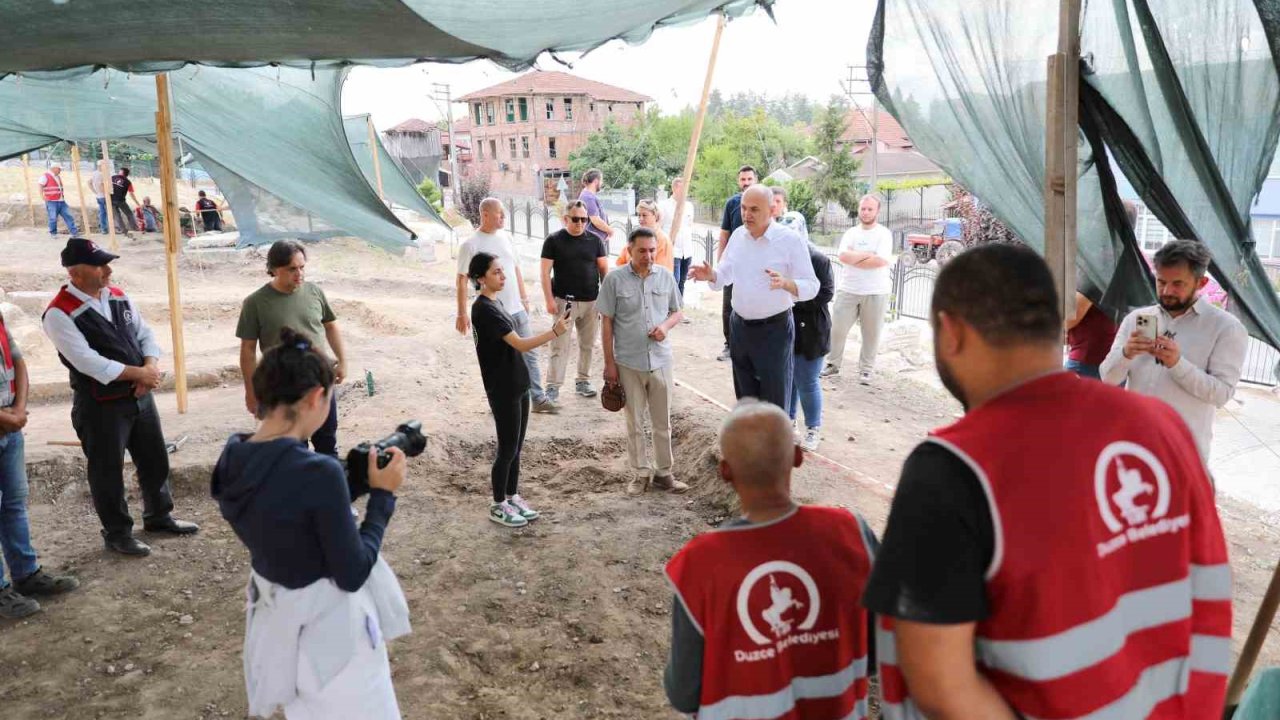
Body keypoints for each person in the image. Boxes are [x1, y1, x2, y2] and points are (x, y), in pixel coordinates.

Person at [864, 244, 1231, 719]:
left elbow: (938, 685)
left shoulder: (952, 467)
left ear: (951, 333)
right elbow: (1205, 604)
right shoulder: (1164, 428)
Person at [211, 328, 409, 719]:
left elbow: (287, 506)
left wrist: (350, 483)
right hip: (335, 641)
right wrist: (383, 497)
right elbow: (352, 573)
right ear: (317, 397)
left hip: (278, 626)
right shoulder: (318, 473)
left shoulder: (232, 458)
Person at [664, 400, 878, 719]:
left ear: (724, 471)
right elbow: (878, 649)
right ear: (797, 457)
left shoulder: (698, 564)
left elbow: (684, 692)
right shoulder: (852, 533)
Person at [42, 238, 200, 556]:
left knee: (154, 458)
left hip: (139, 395)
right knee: (107, 470)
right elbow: (87, 361)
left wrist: (150, 367)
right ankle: (117, 532)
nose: (108, 270)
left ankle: (159, 516)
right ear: (75, 273)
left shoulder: (118, 295)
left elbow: (144, 334)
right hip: (100, 404)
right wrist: (139, 374)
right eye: (99, 264)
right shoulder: (59, 313)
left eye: (107, 262)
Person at [1100, 239, 1248, 462]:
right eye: (1161, 282)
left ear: (1201, 283)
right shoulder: (1137, 319)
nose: (1167, 291)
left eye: (1178, 284)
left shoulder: (1226, 328)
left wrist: (1178, 364)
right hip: (1132, 444)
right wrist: (1125, 354)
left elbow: (1221, 395)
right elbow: (1107, 378)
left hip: (1182, 451)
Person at [689, 185, 818, 410]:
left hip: (774, 331)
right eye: (743, 208)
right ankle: (749, 444)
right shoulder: (738, 236)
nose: (747, 215)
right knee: (746, 398)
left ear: (771, 210)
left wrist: (787, 284)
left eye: (754, 210)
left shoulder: (789, 240)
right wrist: (711, 275)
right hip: (740, 328)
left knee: (774, 401)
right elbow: (725, 274)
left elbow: (813, 286)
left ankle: (775, 445)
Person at [468, 252, 569, 528]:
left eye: (503, 271)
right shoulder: (483, 310)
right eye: (496, 272)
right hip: (502, 388)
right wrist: (554, 333)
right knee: (507, 448)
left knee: (516, 447)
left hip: (518, 382)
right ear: (480, 278)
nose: (503, 276)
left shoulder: (496, 302)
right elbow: (521, 344)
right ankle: (498, 503)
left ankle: (512, 496)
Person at [237, 240, 349, 459]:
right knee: (292, 450)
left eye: (302, 267)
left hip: (319, 383)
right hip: (282, 388)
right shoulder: (255, 303)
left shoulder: (314, 292)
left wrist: (342, 360)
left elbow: (330, 325)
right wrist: (251, 392)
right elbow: (248, 350)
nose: (299, 274)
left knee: (327, 443)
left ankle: (329, 488)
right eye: (292, 269)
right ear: (274, 269)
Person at [0, 310, 79, 618]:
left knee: (15, 504)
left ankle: (26, 573)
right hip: (6, 421)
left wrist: (18, 410)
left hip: (10, 426)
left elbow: (18, 362)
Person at [598, 227, 688, 496]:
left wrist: (665, 326)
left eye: (652, 250)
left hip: (661, 361)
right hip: (628, 362)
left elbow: (677, 311)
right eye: (642, 251)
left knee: (663, 422)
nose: (648, 256)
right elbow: (607, 323)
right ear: (629, 251)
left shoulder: (666, 277)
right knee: (635, 422)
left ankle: (664, 473)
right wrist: (609, 363)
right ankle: (640, 473)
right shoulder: (614, 280)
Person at [456, 198, 557, 414]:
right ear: (485, 214)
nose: (503, 217)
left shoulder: (506, 237)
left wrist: (524, 298)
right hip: (493, 312)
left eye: (503, 213)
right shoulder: (470, 244)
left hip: (516, 308)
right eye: (499, 213)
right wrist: (461, 312)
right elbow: (462, 279)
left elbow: (516, 268)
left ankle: (538, 398)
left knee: (529, 352)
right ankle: (499, 402)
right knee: (498, 360)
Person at [540, 200, 609, 401]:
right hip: (564, 303)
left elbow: (604, 271)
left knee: (587, 344)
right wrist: (549, 300)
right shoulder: (554, 240)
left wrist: (606, 300)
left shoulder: (596, 241)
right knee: (559, 345)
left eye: (584, 219)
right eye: (576, 219)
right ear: (565, 219)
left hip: (591, 302)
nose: (580, 223)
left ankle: (583, 380)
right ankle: (553, 386)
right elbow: (545, 273)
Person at [823, 195, 895, 385]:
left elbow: (881, 260)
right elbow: (843, 256)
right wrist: (867, 256)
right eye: (863, 208)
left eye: (870, 209)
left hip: (876, 291)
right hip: (849, 289)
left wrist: (856, 258)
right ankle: (832, 364)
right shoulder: (851, 233)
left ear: (877, 211)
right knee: (837, 329)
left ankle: (866, 370)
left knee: (871, 334)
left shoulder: (884, 234)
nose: (865, 212)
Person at [785, 206, 833, 452]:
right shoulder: (782, 258)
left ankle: (813, 429)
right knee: (789, 380)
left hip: (813, 330)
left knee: (807, 380)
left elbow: (826, 292)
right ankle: (788, 424)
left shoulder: (818, 259)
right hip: (788, 326)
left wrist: (797, 297)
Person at [715, 165, 759, 362]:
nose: (746, 183)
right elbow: (724, 234)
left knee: (754, 305)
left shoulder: (765, 202)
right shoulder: (732, 203)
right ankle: (730, 345)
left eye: (749, 179)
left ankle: (752, 347)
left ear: (756, 180)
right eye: (743, 179)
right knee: (729, 306)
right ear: (738, 181)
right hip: (733, 265)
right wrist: (720, 263)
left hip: (758, 266)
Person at [1065, 291, 1117, 379]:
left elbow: (1068, 321)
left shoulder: (1090, 284)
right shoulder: (1115, 284)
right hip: (1111, 359)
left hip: (1087, 361)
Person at [660, 177, 697, 299]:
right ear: (675, 188)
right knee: (674, 280)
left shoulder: (689, 206)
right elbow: (660, 227)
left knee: (682, 281)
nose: (685, 191)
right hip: (672, 249)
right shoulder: (664, 205)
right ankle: (672, 308)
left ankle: (679, 308)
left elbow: (689, 225)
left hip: (686, 250)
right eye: (683, 188)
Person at [614, 200, 674, 272]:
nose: (640, 219)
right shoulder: (636, 236)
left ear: (655, 216)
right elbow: (620, 262)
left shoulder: (663, 240)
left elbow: (661, 272)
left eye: (644, 215)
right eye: (639, 215)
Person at [577, 168, 615, 252]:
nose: (601, 183)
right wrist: (610, 230)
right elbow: (595, 220)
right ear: (596, 181)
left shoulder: (587, 194)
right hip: (591, 244)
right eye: (601, 181)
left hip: (593, 242)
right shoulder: (588, 197)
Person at [39, 162, 79, 239]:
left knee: (68, 216)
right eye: (59, 169)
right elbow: (40, 185)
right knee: (53, 218)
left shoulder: (57, 177)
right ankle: (53, 233)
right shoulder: (45, 176)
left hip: (61, 200)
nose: (60, 170)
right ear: (54, 168)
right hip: (51, 201)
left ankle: (74, 233)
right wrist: (42, 196)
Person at [110, 167, 140, 236]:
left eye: (120, 170)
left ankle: (124, 231)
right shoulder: (128, 182)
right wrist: (137, 203)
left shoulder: (112, 177)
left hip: (111, 200)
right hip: (121, 201)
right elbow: (131, 194)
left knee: (117, 216)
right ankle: (134, 227)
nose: (118, 171)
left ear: (122, 172)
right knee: (129, 214)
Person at [89, 161, 108, 233]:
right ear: (101, 166)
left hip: (98, 196)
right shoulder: (102, 174)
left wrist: (95, 192)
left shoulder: (94, 173)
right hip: (104, 196)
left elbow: (89, 183)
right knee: (108, 212)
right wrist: (106, 193)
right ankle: (106, 228)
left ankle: (103, 229)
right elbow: (101, 185)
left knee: (102, 212)